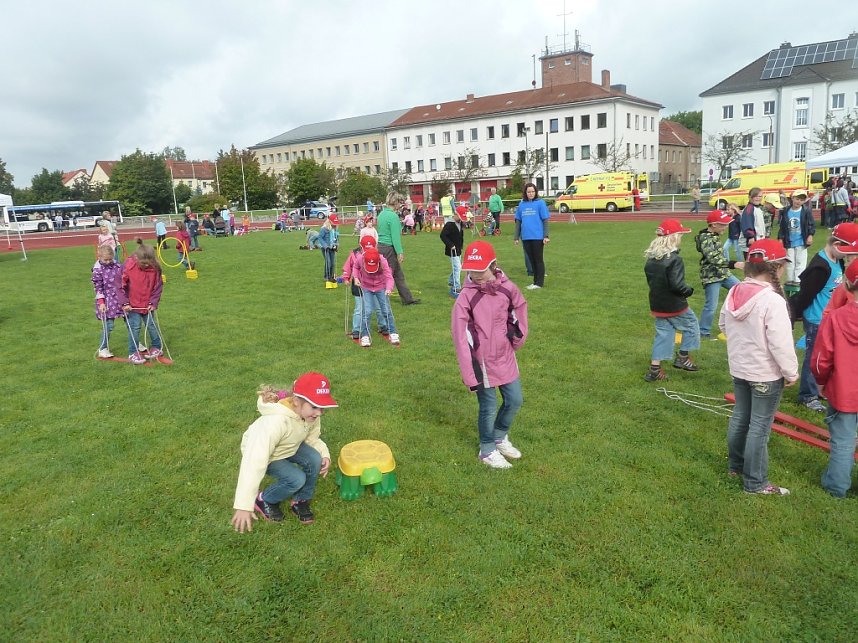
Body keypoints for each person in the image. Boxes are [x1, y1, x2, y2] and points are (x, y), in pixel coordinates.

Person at [720, 239, 798, 495]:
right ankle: (755, 483)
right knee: (759, 427)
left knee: (741, 417)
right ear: (776, 267)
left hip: (740, 368)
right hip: (765, 373)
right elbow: (781, 344)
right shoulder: (772, 301)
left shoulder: (734, 291)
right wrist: (791, 372)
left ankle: (736, 465)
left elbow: (723, 325)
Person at [451, 241, 528, 469]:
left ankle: (499, 436)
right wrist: (469, 373)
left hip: (504, 355)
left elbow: (518, 310)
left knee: (515, 400)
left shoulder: (508, 287)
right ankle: (487, 449)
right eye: (472, 272)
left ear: (494, 265)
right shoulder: (465, 297)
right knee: (488, 406)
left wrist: (516, 336)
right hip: (481, 362)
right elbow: (461, 336)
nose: (477, 276)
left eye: (481, 270)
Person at [230, 374, 336, 532]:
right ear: (296, 402)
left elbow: (312, 438)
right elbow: (254, 461)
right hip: (269, 455)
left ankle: (301, 500)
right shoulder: (275, 423)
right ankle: (264, 500)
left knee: (315, 458)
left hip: (290, 445)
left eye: (322, 407)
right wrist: (243, 504)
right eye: (314, 407)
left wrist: (324, 453)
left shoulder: (310, 415)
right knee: (296, 479)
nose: (319, 412)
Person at [788, 223, 858, 412]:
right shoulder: (820, 267)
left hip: (829, 319)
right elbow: (804, 296)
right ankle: (807, 396)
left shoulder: (837, 261)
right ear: (836, 244)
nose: (852, 257)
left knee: (830, 357)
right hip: (816, 320)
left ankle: (818, 389)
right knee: (815, 357)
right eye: (850, 252)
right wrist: (792, 316)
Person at [812, 259, 858, 497]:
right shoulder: (837, 318)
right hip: (845, 390)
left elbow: (821, 358)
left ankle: (836, 487)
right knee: (844, 440)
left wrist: (820, 380)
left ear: (848, 285)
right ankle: (836, 485)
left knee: (843, 440)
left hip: (844, 390)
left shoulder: (835, 318)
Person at [643, 218, 700, 381]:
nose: (681, 238)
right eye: (680, 235)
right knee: (691, 325)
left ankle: (655, 369)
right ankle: (683, 357)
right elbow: (677, 285)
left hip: (657, 304)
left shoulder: (652, 260)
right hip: (675, 305)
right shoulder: (675, 260)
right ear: (673, 237)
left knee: (664, 333)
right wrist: (688, 291)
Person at [695, 210, 744, 339]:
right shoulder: (705, 239)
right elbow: (713, 259)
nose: (726, 227)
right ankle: (703, 333)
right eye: (723, 225)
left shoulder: (714, 236)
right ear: (714, 225)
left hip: (723, 274)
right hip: (712, 277)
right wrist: (734, 264)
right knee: (711, 306)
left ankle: (741, 324)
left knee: (742, 290)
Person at [343, 246, 399, 346]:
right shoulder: (361, 258)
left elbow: (389, 277)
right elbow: (355, 267)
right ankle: (365, 335)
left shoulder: (383, 261)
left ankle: (393, 333)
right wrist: (355, 278)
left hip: (380, 287)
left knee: (386, 310)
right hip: (366, 287)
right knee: (367, 311)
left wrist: (389, 288)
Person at [122, 239, 164, 365]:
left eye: (148, 263)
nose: (146, 266)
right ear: (137, 259)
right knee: (134, 327)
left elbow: (158, 287)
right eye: (143, 263)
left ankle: (157, 346)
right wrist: (124, 303)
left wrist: (153, 302)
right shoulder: (129, 266)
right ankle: (133, 352)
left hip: (147, 305)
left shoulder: (156, 269)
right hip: (132, 305)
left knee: (151, 325)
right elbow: (120, 285)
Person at [376, 195, 420, 305]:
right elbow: (395, 237)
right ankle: (381, 298)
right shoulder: (393, 217)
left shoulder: (381, 214)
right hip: (389, 248)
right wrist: (400, 252)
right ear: (395, 203)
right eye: (399, 203)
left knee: (397, 274)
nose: (400, 205)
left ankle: (407, 298)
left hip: (380, 247)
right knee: (390, 274)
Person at [341, 236, 383, 340]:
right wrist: (346, 277)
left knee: (378, 306)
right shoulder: (355, 254)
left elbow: (383, 268)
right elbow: (348, 266)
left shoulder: (377, 254)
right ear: (361, 246)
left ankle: (383, 326)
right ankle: (357, 329)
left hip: (374, 284)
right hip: (358, 283)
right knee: (359, 308)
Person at [91, 243, 127, 359]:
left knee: (130, 320)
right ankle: (103, 348)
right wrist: (101, 303)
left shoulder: (117, 265)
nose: (108, 262)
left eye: (110, 259)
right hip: (107, 301)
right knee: (109, 325)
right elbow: (98, 288)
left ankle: (136, 342)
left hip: (120, 298)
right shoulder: (98, 270)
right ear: (99, 257)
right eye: (105, 260)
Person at [514, 182, 550, 290]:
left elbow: (545, 220)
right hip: (526, 237)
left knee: (538, 259)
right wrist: (516, 237)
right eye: (529, 192)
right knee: (531, 260)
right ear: (525, 193)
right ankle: (535, 282)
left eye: (533, 191)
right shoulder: (522, 205)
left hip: (537, 237)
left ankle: (539, 283)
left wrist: (546, 235)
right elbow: (518, 222)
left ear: (536, 192)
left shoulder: (540, 203)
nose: (531, 193)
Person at [776, 189, 815, 286]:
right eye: (797, 199)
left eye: (801, 200)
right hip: (789, 241)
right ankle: (790, 279)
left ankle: (798, 279)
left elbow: (811, 224)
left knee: (800, 261)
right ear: (792, 198)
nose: (799, 202)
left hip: (801, 240)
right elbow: (782, 226)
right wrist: (780, 238)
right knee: (790, 261)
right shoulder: (786, 211)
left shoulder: (806, 211)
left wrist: (810, 235)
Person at [440, 207, 471, 298]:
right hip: (451, 250)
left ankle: (451, 280)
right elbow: (443, 236)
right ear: (456, 214)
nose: (462, 220)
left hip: (458, 249)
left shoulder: (460, 223)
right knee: (457, 268)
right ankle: (456, 287)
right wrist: (450, 245)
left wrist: (460, 246)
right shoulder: (449, 224)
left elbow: (460, 235)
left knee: (457, 267)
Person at [739, 188, 767, 258]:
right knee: (752, 265)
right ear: (750, 197)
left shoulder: (757, 208)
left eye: (760, 196)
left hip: (758, 241)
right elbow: (747, 223)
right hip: (751, 243)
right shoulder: (749, 209)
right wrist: (750, 237)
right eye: (755, 196)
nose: (758, 198)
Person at [318, 214, 340, 288]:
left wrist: (337, 245)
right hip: (325, 248)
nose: (335, 224)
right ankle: (327, 277)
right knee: (328, 262)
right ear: (329, 221)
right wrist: (325, 246)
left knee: (332, 263)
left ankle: (331, 276)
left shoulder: (335, 228)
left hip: (332, 248)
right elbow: (320, 238)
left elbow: (336, 238)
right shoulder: (324, 229)